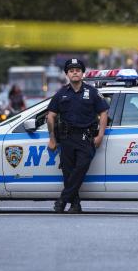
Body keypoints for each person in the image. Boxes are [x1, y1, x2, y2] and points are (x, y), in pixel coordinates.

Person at [46, 59, 108, 213]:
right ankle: (75, 205)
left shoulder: (92, 92)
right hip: (66, 139)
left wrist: (100, 135)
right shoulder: (61, 93)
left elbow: (104, 112)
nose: (75, 72)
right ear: (67, 74)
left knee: (80, 168)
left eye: (78, 70)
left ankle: (62, 200)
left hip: (85, 139)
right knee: (68, 172)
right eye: (71, 70)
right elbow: (50, 116)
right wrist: (53, 139)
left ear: (82, 73)